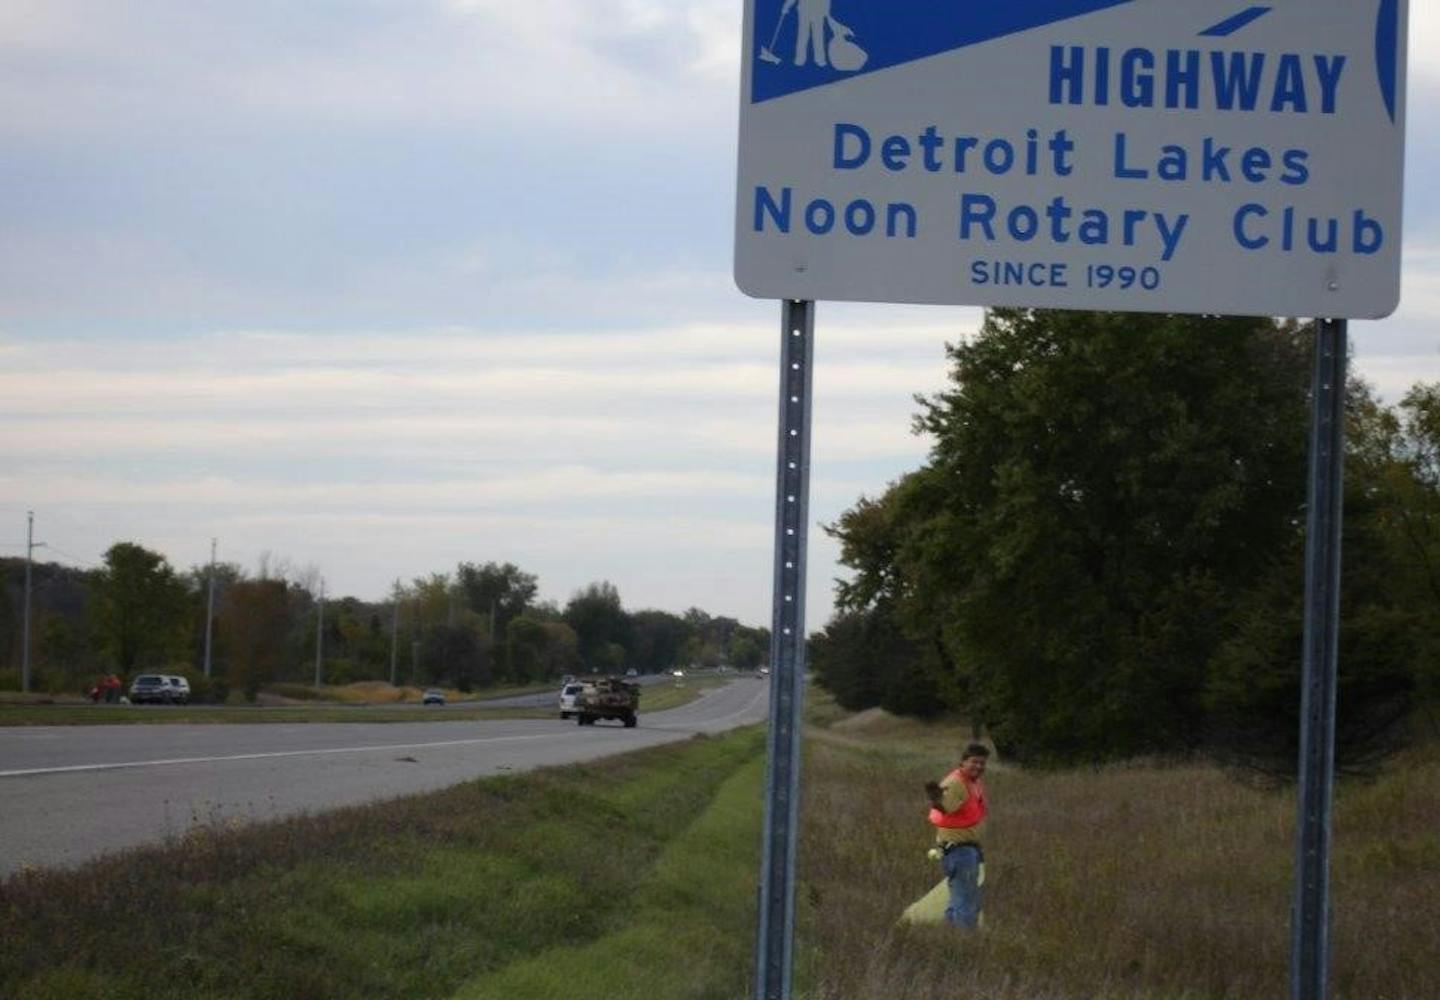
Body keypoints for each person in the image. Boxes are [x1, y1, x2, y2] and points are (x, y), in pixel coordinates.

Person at [924, 742, 990, 929]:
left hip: (968, 849)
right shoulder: (955, 783)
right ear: (963, 762)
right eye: (974, 762)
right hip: (959, 851)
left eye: (982, 763)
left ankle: (950, 937)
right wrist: (936, 799)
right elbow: (945, 808)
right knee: (966, 903)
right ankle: (964, 946)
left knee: (961, 898)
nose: (978, 766)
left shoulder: (973, 782)